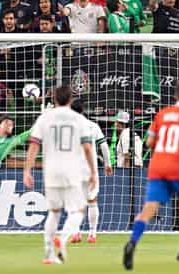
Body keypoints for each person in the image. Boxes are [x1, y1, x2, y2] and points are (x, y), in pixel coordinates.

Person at [123, 80, 179, 270]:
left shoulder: (163, 113)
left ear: (175, 96)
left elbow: (149, 142)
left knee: (149, 208)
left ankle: (132, 243)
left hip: (157, 166)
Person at [23, 86, 97, 264]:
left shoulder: (45, 117)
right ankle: (63, 239)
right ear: (71, 99)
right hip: (71, 170)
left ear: (54, 99)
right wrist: (93, 171)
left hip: (51, 170)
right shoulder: (79, 119)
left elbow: (34, 145)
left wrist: (27, 170)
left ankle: (48, 254)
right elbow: (87, 147)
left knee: (54, 213)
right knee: (79, 210)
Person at [68, 98, 113, 244]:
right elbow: (104, 146)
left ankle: (76, 233)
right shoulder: (93, 126)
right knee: (92, 200)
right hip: (90, 169)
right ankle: (92, 234)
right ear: (84, 110)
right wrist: (107, 164)